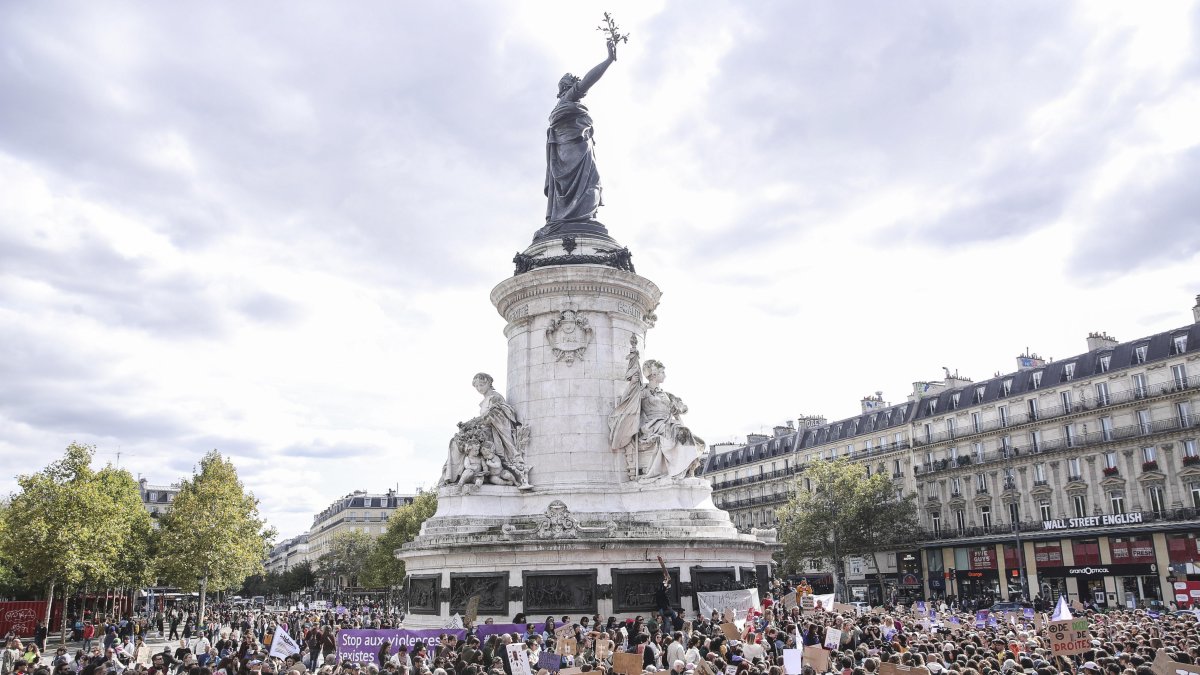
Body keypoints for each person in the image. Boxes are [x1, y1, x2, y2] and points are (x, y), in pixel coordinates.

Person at [543, 39, 618, 228]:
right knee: (590, 183)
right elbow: (588, 81)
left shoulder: (563, 105)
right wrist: (608, 60)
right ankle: (577, 218)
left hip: (574, 150)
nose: (576, 83)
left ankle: (573, 216)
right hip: (573, 150)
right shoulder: (568, 100)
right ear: (566, 88)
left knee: (590, 183)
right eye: (572, 82)